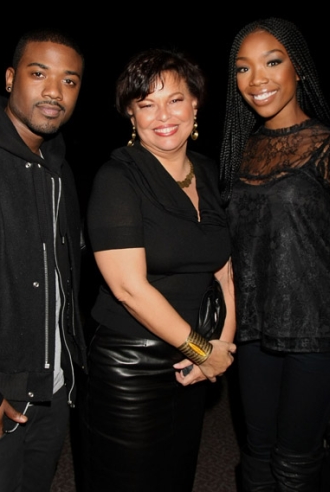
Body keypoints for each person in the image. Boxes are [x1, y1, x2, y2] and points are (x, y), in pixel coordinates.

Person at [80, 48, 236, 492]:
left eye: (175, 99)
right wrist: (203, 351)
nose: (163, 115)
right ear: (131, 114)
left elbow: (225, 273)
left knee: (176, 478)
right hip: (130, 365)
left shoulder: (208, 171)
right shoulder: (118, 178)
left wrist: (221, 349)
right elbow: (129, 288)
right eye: (146, 104)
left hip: (192, 360)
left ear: (195, 103)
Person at [0, 28, 87, 492]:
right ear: (10, 78)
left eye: (69, 80)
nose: (54, 91)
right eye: (39, 74)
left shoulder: (60, 171)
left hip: (53, 394)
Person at [220, 17, 330, 491]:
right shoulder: (238, 151)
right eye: (243, 68)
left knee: (296, 462)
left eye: (272, 62)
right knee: (257, 453)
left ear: (299, 69)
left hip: (318, 334)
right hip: (254, 333)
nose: (257, 79)